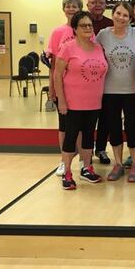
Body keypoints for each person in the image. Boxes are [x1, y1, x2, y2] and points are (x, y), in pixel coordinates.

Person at [53, 11, 108, 190]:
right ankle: (68, 172)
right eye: (83, 25)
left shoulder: (98, 47)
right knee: (70, 138)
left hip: (94, 102)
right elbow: (57, 75)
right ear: (75, 29)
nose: (87, 28)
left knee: (88, 137)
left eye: (90, 25)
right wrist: (61, 100)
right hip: (72, 103)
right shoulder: (68, 47)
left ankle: (87, 168)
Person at [96, 1, 135, 183]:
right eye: (118, 13)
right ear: (113, 14)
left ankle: (134, 165)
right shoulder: (103, 35)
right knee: (114, 128)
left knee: (132, 129)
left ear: (130, 18)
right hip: (109, 91)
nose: (121, 17)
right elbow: (90, 51)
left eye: (125, 15)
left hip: (132, 91)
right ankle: (117, 164)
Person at [47, 0, 83, 177]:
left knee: (81, 127)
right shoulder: (57, 32)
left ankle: (84, 160)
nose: (71, 9)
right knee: (64, 126)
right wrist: (52, 87)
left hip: (82, 89)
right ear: (63, 9)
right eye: (68, 6)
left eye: (74, 6)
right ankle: (63, 160)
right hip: (63, 87)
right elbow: (53, 65)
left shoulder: (86, 31)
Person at [87, 0, 114, 165]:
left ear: (105, 6)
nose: (97, 5)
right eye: (94, 2)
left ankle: (101, 149)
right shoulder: (82, 22)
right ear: (88, 4)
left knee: (106, 117)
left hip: (107, 78)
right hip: (86, 79)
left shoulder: (110, 25)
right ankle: (86, 150)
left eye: (101, 2)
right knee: (88, 118)